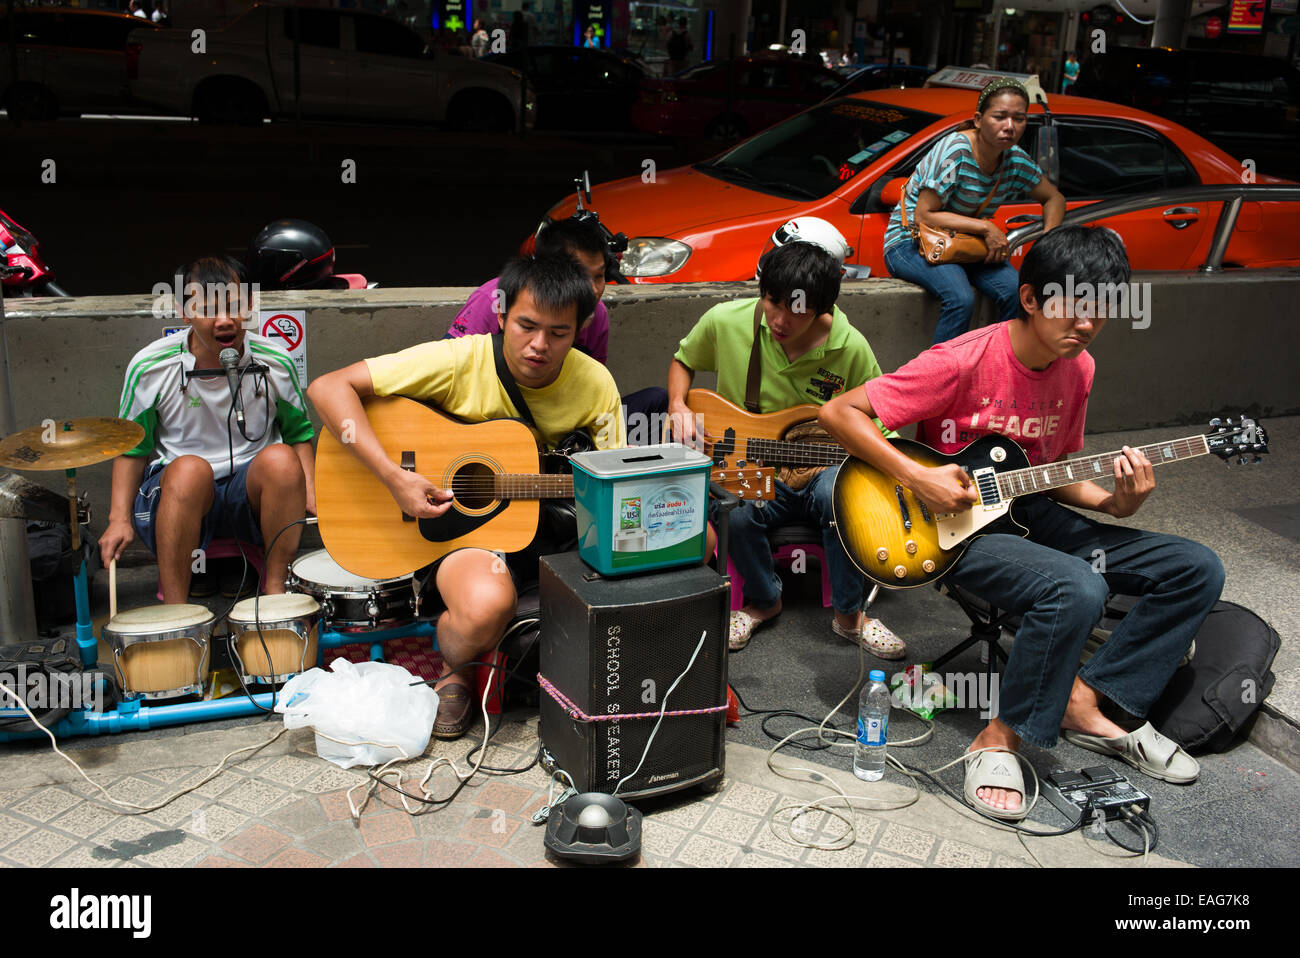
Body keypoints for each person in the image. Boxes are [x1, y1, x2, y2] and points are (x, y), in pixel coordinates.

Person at [820, 226, 1223, 820]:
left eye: (1101, 312)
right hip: (956, 530)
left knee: (1197, 568)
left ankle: (1086, 701)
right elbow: (839, 412)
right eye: (1072, 307)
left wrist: (1116, 504)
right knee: (1076, 586)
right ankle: (1000, 735)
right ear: (1031, 299)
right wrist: (917, 475)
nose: (1085, 325)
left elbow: (1051, 469)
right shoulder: (963, 359)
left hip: (1029, 510)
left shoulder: (1077, 370)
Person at [308, 254, 625, 740]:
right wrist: (395, 477)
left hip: (553, 534)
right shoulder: (460, 360)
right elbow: (329, 388)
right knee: (483, 608)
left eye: (558, 333)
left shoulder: (594, 384)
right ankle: (455, 667)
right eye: (526, 325)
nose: (539, 345)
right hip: (461, 535)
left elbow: (611, 486)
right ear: (500, 315)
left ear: (580, 329)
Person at [667, 220, 904, 659]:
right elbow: (684, 360)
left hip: (821, 470)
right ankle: (764, 601)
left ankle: (850, 616)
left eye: (796, 310)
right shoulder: (726, 320)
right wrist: (679, 405)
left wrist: (905, 467)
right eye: (772, 301)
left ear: (822, 308)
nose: (779, 318)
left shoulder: (851, 348)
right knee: (734, 510)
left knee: (841, 493)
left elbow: (883, 420)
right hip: (755, 470)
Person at [99, 256, 314, 603]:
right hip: (180, 491)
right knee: (189, 470)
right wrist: (118, 519)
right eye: (209, 309)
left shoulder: (276, 361)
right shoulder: (150, 366)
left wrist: (311, 493)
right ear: (184, 313)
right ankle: (176, 609)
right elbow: (132, 449)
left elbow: (299, 435)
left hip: (251, 493)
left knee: (282, 460)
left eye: (235, 307)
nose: (225, 321)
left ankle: (276, 592)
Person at [446, 216, 668, 443]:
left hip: (560, 427)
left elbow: (588, 390)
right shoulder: (494, 299)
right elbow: (453, 374)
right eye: (527, 326)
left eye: (599, 276)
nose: (592, 289)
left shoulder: (597, 315)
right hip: (494, 428)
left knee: (657, 400)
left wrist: (606, 446)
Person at [883, 77, 1065, 345]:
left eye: (1019, 119)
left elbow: (1054, 199)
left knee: (1019, 295)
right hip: (911, 242)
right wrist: (986, 227)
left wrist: (1048, 243)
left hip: (964, 247)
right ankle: (938, 379)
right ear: (979, 119)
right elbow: (924, 215)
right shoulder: (955, 152)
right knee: (960, 299)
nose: (1009, 127)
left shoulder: (1014, 160)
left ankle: (997, 365)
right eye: (1000, 117)